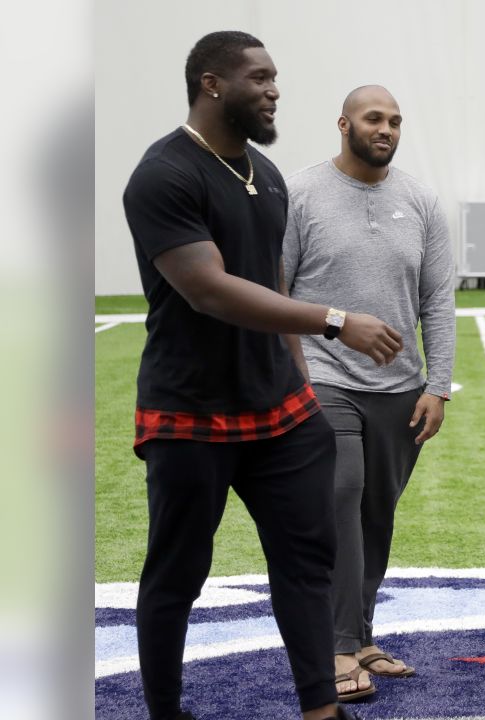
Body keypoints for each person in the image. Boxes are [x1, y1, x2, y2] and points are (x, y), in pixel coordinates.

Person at [123, 30, 400, 720]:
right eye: (260, 77)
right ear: (213, 84)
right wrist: (334, 320)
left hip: (279, 409)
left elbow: (269, 276)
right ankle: (164, 711)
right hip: (190, 411)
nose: (274, 90)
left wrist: (300, 378)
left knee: (307, 563)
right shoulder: (164, 174)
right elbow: (209, 289)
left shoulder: (265, 174)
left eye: (275, 78)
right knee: (177, 575)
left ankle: (320, 709)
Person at [283, 85, 455, 702]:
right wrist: (298, 376)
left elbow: (438, 298)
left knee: (376, 513)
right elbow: (279, 292)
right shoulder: (300, 193)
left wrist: (438, 386)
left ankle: (361, 637)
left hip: (401, 389)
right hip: (326, 381)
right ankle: (333, 649)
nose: (386, 129)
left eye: (395, 121)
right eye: (374, 118)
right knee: (341, 498)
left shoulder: (420, 199)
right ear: (344, 124)